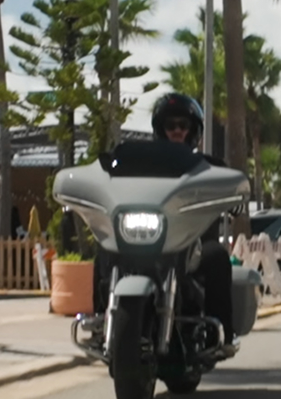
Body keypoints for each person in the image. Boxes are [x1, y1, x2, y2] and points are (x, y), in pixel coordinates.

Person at [91, 92, 236, 345]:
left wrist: (234, 197)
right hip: (144, 236)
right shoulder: (138, 164)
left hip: (193, 244)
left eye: (183, 125)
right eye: (171, 125)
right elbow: (111, 182)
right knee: (103, 247)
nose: (177, 130)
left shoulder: (210, 166)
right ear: (161, 128)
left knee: (217, 256)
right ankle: (98, 320)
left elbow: (232, 187)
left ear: (193, 130)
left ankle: (219, 333)